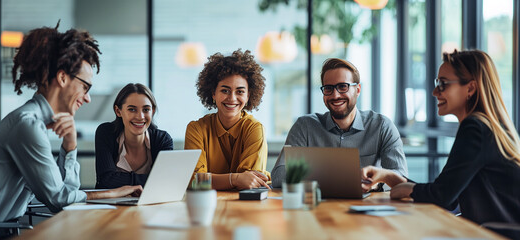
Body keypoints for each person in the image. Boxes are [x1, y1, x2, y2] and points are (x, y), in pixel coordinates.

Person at [0, 25, 142, 239]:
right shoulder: (27, 125)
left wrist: (70, 145)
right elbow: (59, 200)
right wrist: (115, 192)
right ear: (63, 78)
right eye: (86, 87)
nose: (88, 97)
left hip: (3, 230)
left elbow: (65, 192)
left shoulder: (36, 123)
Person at [362, 50, 520, 227]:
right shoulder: (487, 127)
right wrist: (387, 176)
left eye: (443, 84)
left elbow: (442, 196)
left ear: (470, 88)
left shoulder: (475, 128)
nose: (435, 92)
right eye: (437, 83)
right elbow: (448, 195)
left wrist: (408, 189)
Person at [271, 58, 408, 188]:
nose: (335, 95)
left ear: (358, 90)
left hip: (366, 208)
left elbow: (401, 178)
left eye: (343, 87)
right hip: (316, 208)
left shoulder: (382, 126)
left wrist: (376, 182)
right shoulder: (304, 127)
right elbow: (278, 177)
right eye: (328, 88)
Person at [184, 49, 270, 190]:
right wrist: (235, 178)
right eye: (225, 90)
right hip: (204, 203)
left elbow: (250, 182)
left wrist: (210, 179)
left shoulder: (255, 129)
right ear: (213, 93)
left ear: (248, 95)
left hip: (244, 206)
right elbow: (194, 180)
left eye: (240, 91)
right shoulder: (196, 129)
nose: (232, 98)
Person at [95, 83, 173, 189]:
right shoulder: (106, 133)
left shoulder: (162, 140)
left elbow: (167, 181)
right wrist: (150, 180)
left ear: (153, 111)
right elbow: (105, 180)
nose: (140, 117)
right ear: (118, 111)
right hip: (110, 204)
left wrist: (119, 179)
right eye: (132, 109)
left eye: (146, 110)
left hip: (150, 204)